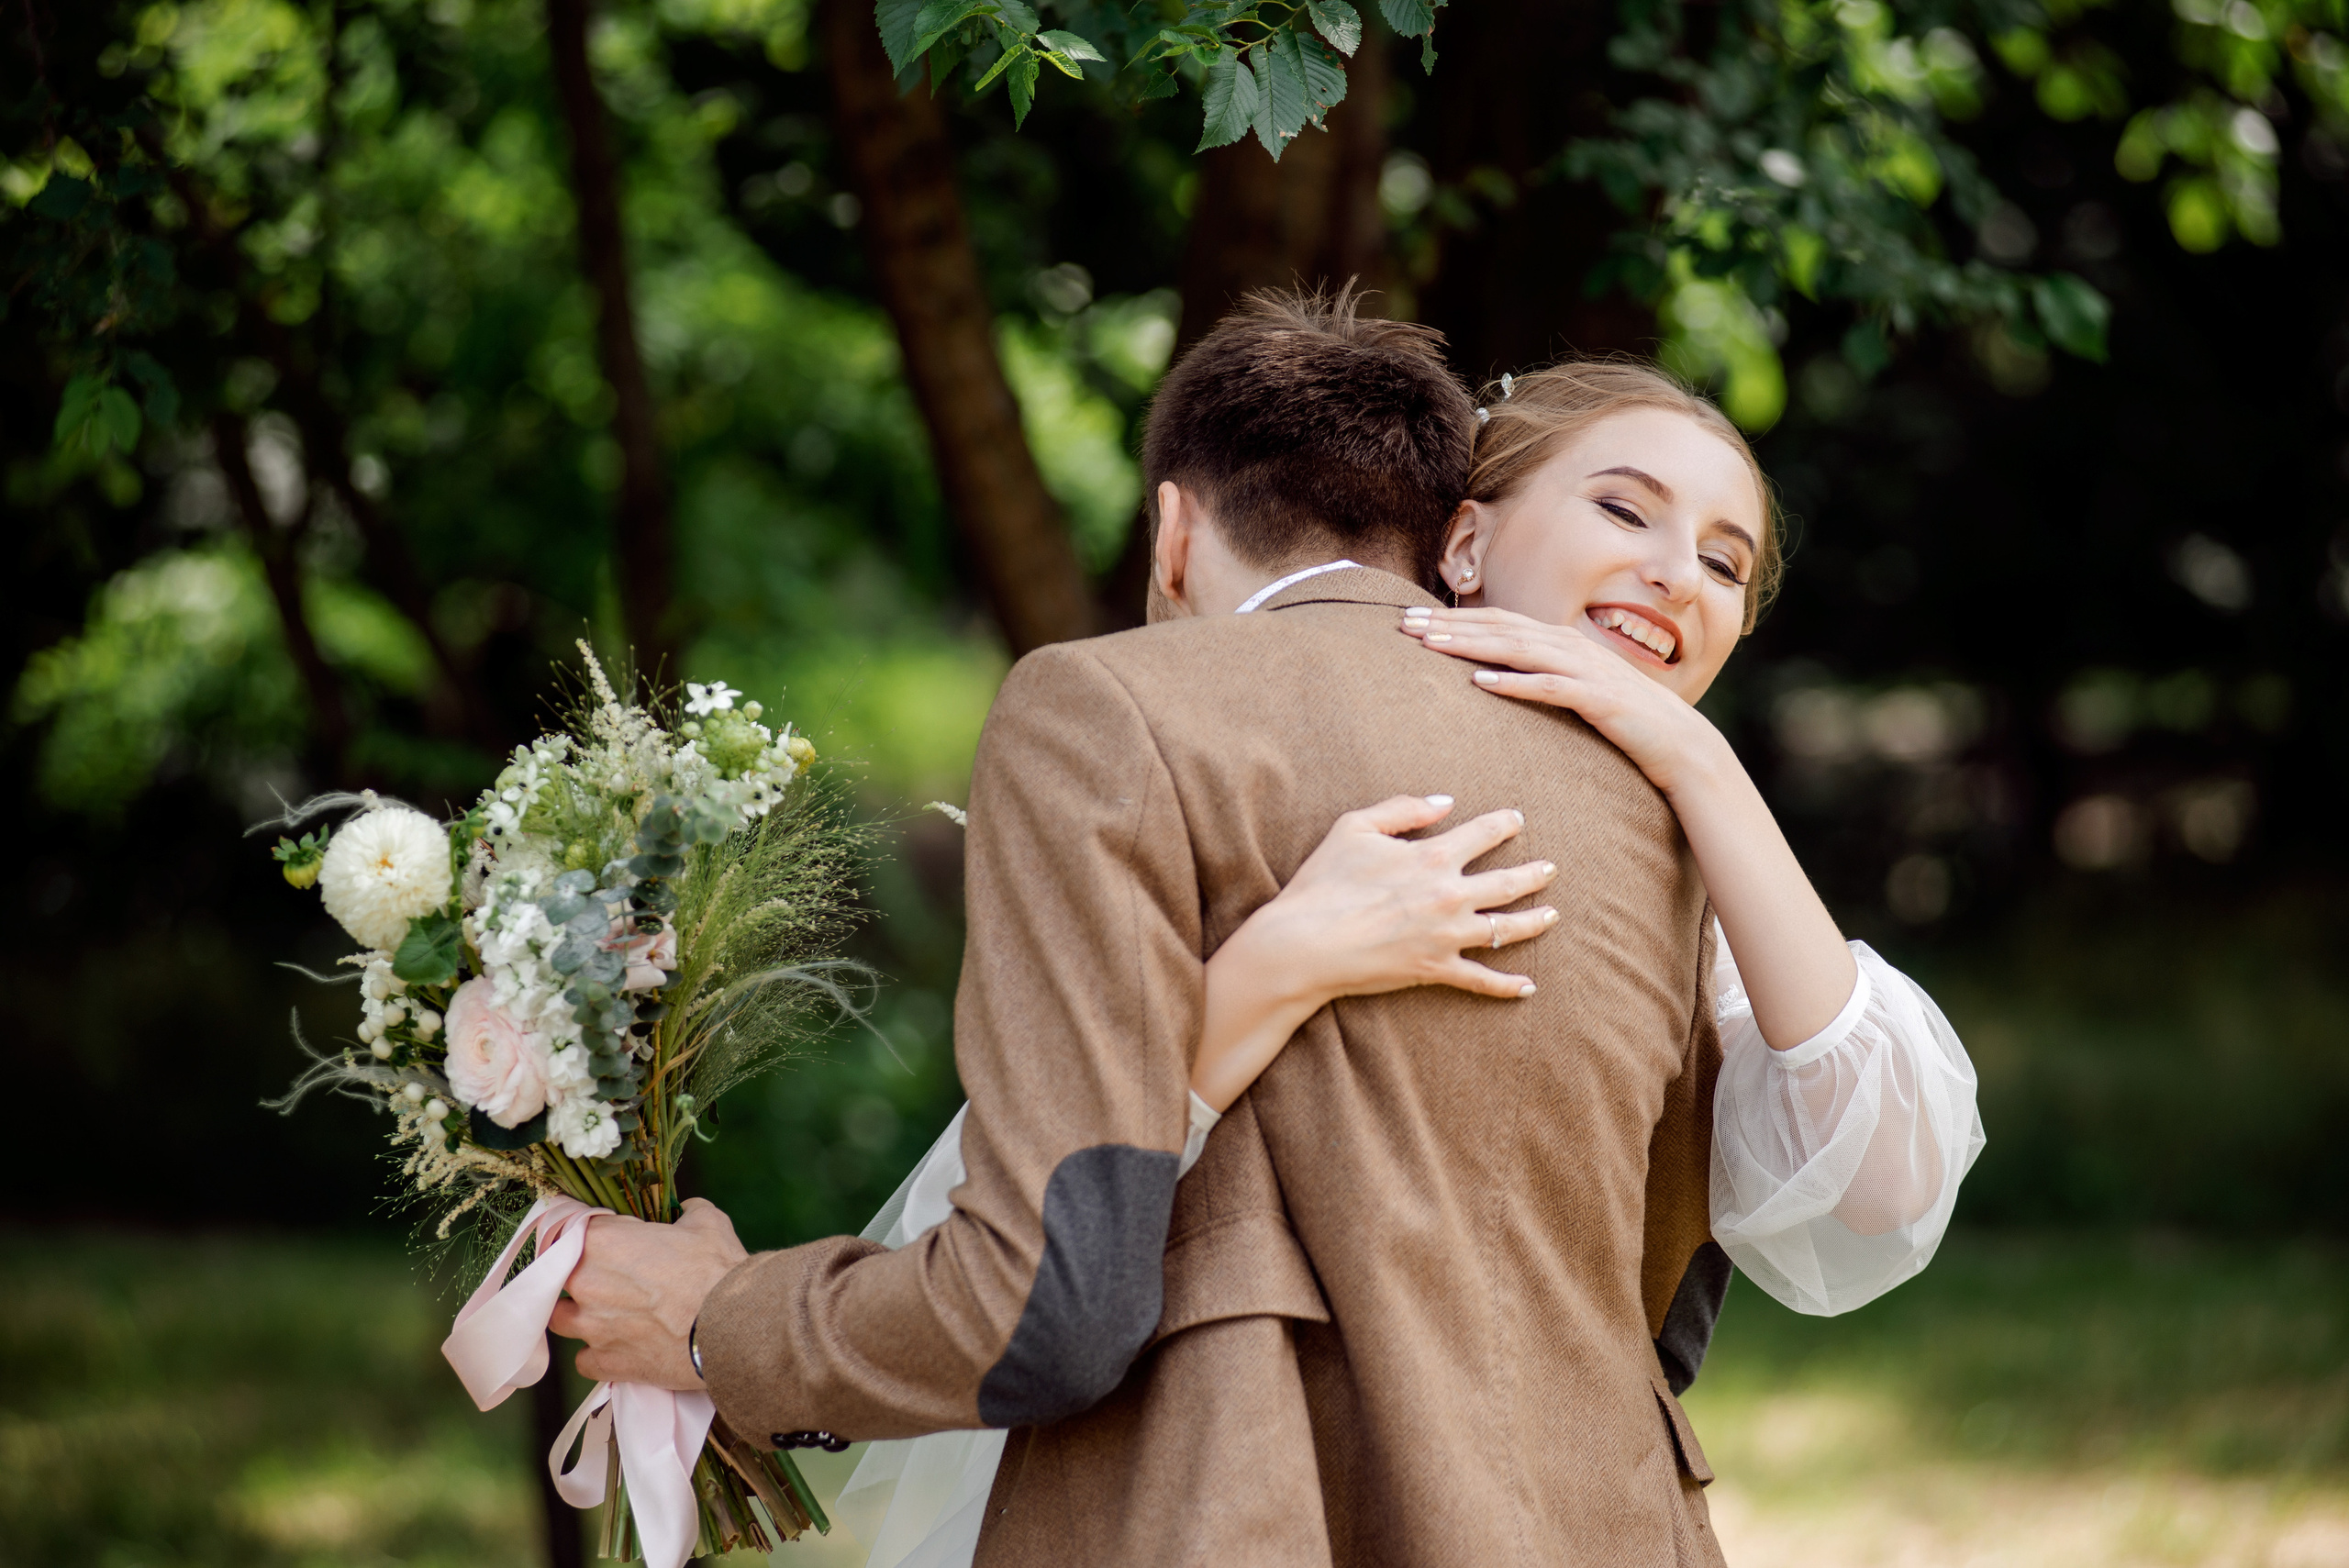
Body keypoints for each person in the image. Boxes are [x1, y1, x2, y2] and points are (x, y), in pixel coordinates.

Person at [553, 292, 1981, 1567]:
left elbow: (1042, 1288)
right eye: (1626, 511)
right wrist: (1271, 971)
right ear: (1457, 541)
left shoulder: (1128, 713)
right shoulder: (1638, 820)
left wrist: (716, 1321)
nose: (1679, 574)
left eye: (1728, 561)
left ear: (1172, 529)